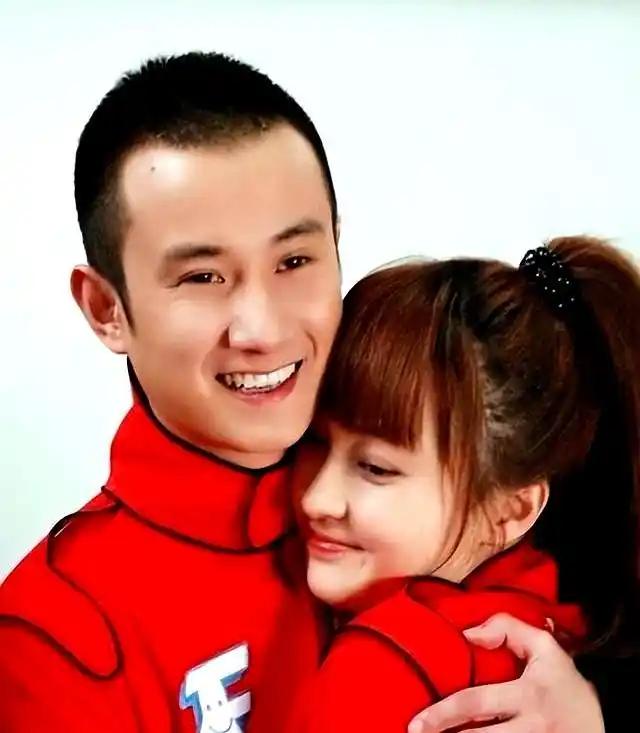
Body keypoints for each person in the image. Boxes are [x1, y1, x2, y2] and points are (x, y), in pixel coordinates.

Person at [0, 52, 618, 732]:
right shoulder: (54, 637)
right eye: (203, 277)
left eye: (294, 261)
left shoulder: (457, 472)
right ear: (105, 309)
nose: (263, 329)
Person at [287, 237, 640, 732]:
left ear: (511, 511)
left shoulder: (377, 670)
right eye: (314, 441)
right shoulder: (555, 627)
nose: (317, 498)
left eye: (376, 468)